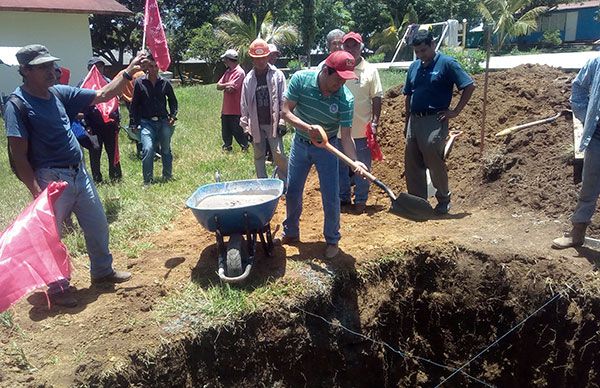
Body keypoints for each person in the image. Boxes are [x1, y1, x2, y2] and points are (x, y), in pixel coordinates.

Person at [4, 44, 143, 307]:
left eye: (50, 65)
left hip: (79, 173)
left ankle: (102, 271)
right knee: (52, 236)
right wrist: (37, 193)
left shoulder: (58, 93)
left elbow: (102, 94)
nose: (51, 70)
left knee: (97, 225)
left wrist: (127, 73)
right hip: (50, 179)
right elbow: (19, 156)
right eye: (42, 67)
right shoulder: (18, 104)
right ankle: (57, 288)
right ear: (25, 70)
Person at [279, 50, 368, 259]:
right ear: (327, 71)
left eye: (346, 79)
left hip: (327, 148)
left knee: (331, 195)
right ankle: (290, 232)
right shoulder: (301, 80)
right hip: (300, 144)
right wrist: (307, 127)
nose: (341, 84)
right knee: (292, 191)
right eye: (338, 78)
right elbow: (285, 111)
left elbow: (346, 136)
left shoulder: (345, 99)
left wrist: (355, 162)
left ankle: (332, 239)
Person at [402, 30, 475, 214]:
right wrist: (407, 121)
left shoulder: (447, 64)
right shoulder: (414, 67)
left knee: (433, 159)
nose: (421, 55)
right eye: (417, 52)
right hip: (414, 120)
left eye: (424, 50)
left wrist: (456, 111)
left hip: (435, 119)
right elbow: (408, 95)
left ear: (433, 44)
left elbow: (469, 85)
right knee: (412, 161)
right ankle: (418, 202)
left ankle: (443, 199)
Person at [552, 56, 600, 249]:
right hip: (598, 138)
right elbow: (578, 87)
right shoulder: (597, 63)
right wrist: (586, 115)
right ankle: (577, 233)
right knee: (589, 188)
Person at [338, 32, 383, 214]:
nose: (351, 50)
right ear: (343, 48)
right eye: (347, 46)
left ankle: (361, 199)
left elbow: (377, 97)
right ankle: (343, 198)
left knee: (363, 168)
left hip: (361, 131)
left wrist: (375, 123)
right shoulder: (338, 69)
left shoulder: (370, 71)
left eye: (354, 46)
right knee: (340, 168)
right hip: (340, 131)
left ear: (360, 47)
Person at [240, 39, 288, 182]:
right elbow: (244, 104)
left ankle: (285, 183)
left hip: (273, 122)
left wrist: (282, 120)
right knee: (259, 154)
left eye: (263, 58)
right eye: (257, 58)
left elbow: (284, 99)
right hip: (256, 122)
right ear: (252, 59)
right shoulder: (248, 79)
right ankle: (263, 183)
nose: (260, 61)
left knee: (278, 153)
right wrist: (245, 127)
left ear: (268, 57)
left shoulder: (277, 75)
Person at [129, 54, 178, 186]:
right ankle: (147, 181)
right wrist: (133, 122)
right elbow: (134, 105)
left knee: (166, 149)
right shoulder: (140, 83)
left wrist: (173, 116)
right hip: (146, 122)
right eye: (151, 66)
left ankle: (167, 176)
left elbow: (173, 101)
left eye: (156, 66)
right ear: (147, 68)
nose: (154, 69)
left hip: (163, 121)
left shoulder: (165, 83)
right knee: (148, 149)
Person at [78, 57, 122, 183]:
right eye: (95, 66)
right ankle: (97, 179)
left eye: (101, 66)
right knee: (95, 150)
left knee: (112, 151)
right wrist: (85, 124)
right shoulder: (83, 84)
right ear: (89, 69)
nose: (99, 69)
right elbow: (79, 106)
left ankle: (116, 177)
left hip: (109, 124)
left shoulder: (109, 82)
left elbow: (116, 102)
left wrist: (117, 120)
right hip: (93, 125)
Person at [217, 49, 248, 152]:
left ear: (228, 60)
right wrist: (227, 84)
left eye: (225, 59)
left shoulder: (240, 72)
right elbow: (218, 86)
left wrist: (225, 86)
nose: (224, 62)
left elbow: (231, 89)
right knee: (226, 131)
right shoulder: (228, 72)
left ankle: (245, 146)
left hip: (236, 109)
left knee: (237, 130)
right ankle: (227, 147)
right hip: (226, 109)